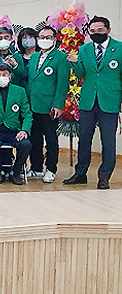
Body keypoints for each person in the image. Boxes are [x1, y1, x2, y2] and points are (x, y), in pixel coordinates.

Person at [64, 16, 122, 189]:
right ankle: (80, 173)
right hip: (88, 101)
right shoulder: (84, 49)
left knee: (108, 141)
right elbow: (81, 74)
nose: (96, 33)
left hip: (110, 100)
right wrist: (75, 63)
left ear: (108, 30)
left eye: (100, 30)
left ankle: (104, 177)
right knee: (84, 139)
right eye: (93, 31)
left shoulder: (119, 48)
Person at [27, 26, 70, 183]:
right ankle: (36, 167)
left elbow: (62, 84)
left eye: (48, 37)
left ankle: (51, 169)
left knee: (51, 139)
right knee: (34, 137)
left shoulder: (61, 58)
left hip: (49, 106)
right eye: (42, 36)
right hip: (33, 104)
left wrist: (58, 104)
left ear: (54, 39)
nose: (44, 39)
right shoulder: (34, 57)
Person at [0, 63, 33, 185]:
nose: (1, 77)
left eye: (5, 74)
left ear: (10, 76)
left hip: (13, 129)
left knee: (26, 144)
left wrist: (24, 130)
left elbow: (27, 114)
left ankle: (15, 172)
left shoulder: (20, 91)